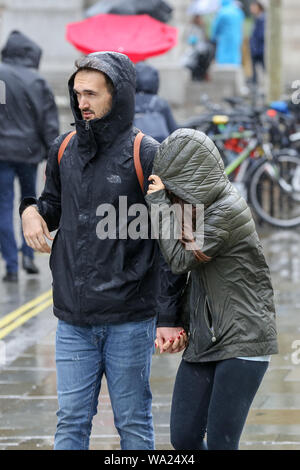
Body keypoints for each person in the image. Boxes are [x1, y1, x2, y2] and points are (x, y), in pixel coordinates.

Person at [19, 51, 185, 450]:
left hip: (130, 318)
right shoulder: (63, 148)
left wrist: (169, 318)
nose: (82, 103)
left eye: (91, 94)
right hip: (73, 319)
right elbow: (52, 205)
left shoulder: (147, 153)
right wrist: (29, 211)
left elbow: (173, 242)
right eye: (77, 94)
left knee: (132, 424)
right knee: (71, 423)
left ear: (119, 95)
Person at [145, 128, 278, 450]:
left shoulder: (226, 211)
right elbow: (199, 280)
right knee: (185, 438)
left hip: (243, 339)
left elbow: (179, 260)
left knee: (221, 443)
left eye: (174, 187)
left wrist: (160, 204)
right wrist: (182, 323)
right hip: (209, 338)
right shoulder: (201, 207)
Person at [0, 30, 59, 282]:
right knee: (30, 204)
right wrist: (53, 155)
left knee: (4, 207)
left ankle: (11, 265)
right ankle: (28, 254)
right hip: (29, 153)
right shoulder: (37, 81)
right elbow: (48, 122)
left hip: (2, 152)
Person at [134, 62, 178, 142]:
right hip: (160, 147)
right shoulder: (160, 103)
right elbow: (174, 130)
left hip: (135, 148)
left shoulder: (128, 102)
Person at [211, 0, 245, 65]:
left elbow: (216, 27)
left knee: (224, 57)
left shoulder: (221, 12)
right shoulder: (238, 11)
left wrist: (213, 37)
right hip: (236, 37)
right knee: (234, 54)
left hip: (225, 39)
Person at [249, 1, 266, 84]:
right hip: (255, 48)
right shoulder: (256, 18)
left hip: (260, 48)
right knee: (254, 70)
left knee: (264, 68)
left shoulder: (262, 19)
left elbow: (261, 35)